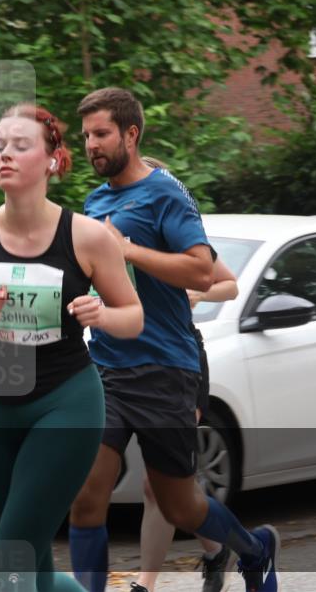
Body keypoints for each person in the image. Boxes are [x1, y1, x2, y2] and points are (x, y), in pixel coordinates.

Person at [67, 88, 279, 592]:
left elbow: (203, 271)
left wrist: (129, 251)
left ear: (131, 134)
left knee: (179, 505)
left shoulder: (166, 193)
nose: (91, 145)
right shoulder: (95, 202)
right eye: (86, 136)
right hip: (107, 367)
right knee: (86, 496)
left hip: (165, 368)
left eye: (101, 134)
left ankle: (254, 550)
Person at [0, 103, 143, 592]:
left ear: (52, 159)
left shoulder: (86, 236)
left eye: (19, 145)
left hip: (66, 404)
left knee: (10, 558)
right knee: (35, 569)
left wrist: (101, 315)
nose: (4, 154)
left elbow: (133, 317)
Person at [128, 161, 239, 592]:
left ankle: (146, 583)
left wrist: (193, 292)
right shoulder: (116, 237)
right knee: (166, 485)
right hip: (129, 359)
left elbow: (228, 284)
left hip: (180, 358)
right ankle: (217, 549)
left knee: (157, 483)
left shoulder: (178, 240)